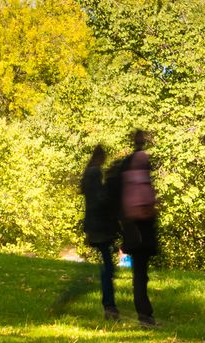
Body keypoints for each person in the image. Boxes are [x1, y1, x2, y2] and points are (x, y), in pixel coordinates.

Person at [55, 143, 121, 319]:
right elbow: (99, 200)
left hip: (95, 225)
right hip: (100, 226)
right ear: (101, 157)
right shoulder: (95, 172)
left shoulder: (89, 172)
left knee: (106, 266)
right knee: (107, 268)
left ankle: (109, 304)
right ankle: (109, 305)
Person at [115, 129, 160, 326]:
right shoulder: (140, 171)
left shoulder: (126, 170)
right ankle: (145, 314)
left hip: (133, 230)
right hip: (140, 230)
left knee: (140, 274)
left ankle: (144, 313)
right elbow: (144, 204)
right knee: (141, 274)